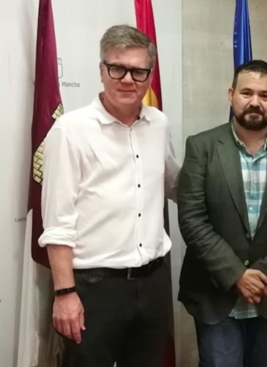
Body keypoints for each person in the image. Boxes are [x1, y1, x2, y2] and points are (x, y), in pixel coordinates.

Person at [38, 24, 180, 367]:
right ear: (101, 70)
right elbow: (58, 222)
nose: (128, 79)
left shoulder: (158, 124)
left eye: (138, 71)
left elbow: (175, 184)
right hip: (94, 288)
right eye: (117, 68)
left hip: (153, 283)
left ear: (150, 75)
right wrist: (65, 293)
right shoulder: (70, 131)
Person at [177, 60, 267, 367]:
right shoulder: (201, 146)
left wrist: (262, 273)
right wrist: (237, 274)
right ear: (231, 95)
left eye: (265, 95)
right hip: (215, 295)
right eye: (247, 92)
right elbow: (192, 219)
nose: (255, 102)